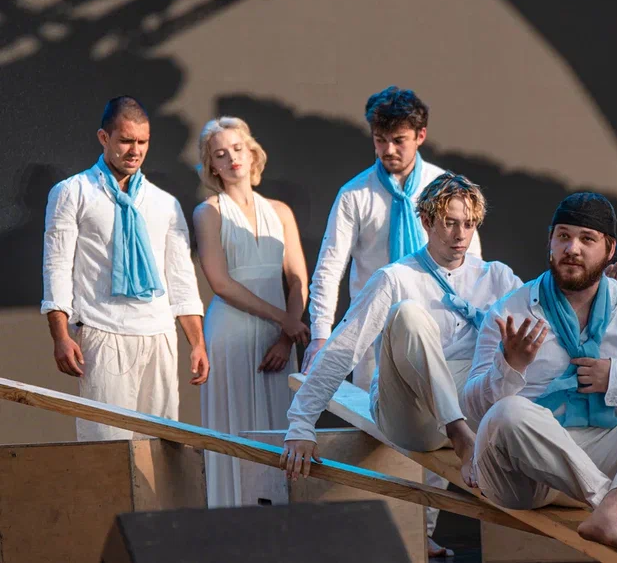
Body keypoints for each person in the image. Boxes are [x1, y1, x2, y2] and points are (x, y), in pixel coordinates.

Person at [463, 193, 617, 555]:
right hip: (522, 476)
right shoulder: (512, 310)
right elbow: (474, 411)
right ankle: (613, 504)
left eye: (587, 239)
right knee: (508, 411)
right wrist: (509, 366)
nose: (572, 248)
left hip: (599, 451)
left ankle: (611, 509)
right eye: (563, 236)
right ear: (550, 241)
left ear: (609, 249)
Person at [286, 173, 513, 557]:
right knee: (409, 314)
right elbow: (344, 348)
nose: (461, 235)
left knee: (513, 348)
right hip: (407, 413)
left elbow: (544, 331)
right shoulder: (396, 277)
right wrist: (301, 422)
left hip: (464, 406)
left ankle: (429, 520)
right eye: (450, 222)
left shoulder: (496, 277)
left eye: (469, 224)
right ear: (426, 221)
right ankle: (460, 435)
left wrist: (601, 292)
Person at [42, 95, 209, 441]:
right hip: (103, 331)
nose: (135, 151)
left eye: (143, 142)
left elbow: (181, 278)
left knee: (161, 446)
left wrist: (197, 343)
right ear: (104, 138)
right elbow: (56, 266)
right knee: (105, 444)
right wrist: (60, 336)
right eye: (126, 141)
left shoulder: (165, 203)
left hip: (159, 334)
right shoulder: (72, 192)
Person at [303, 86, 481, 385]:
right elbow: (329, 268)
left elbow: (472, 263)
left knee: (442, 411)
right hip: (374, 333)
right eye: (380, 140)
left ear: (420, 136)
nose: (388, 150)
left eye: (399, 140)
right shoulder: (354, 194)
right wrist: (320, 336)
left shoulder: (446, 187)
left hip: (440, 333)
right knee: (371, 413)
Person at [192, 116, 310, 507]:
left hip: (278, 339)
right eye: (220, 154)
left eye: (237, 148)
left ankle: (280, 525)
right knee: (235, 429)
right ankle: (231, 518)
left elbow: (298, 280)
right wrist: (285, 321)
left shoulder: (281, 211)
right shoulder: (208, 212)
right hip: (231, 335)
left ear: (252, 152)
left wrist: (285, 337)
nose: (232, 158)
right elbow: (220, 283)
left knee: (280, 431)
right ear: (212, 166)